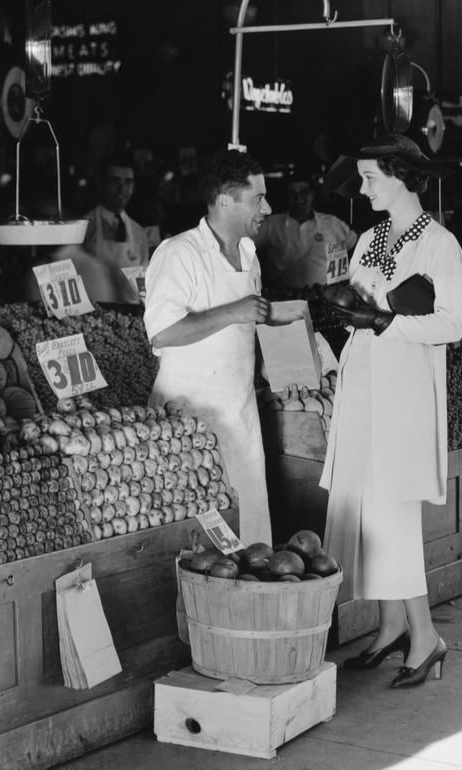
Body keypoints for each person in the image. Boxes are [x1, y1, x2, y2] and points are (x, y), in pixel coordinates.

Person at [320, 134, 462, 688]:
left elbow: (451, 324)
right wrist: (346, 306)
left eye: (370, 178)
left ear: (402, 176)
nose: (362, 188)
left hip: (405, 389)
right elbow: (360, 303)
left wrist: (387, 322)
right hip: (364, 382)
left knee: (395, 512)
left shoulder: (440, 246)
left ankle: (426, 637)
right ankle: (388, 627)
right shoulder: (367, 240)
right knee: (365, 506)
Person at [144, 149, 294, 546]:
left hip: (240, 416)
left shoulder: (249, 254)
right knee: (197, 543)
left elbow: (245, 331)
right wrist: (235, 311)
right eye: (258, 198)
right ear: (225, 201)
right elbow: (162, 333)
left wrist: (278, 360)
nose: (267, 207)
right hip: (187, 422)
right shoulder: (180, 253)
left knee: (251, 536)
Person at [254, 171, 358, 289]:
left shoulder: (332, 223)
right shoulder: (272, 224)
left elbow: (357, 247)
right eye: (292, 193)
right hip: (284, 297)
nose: (298, 198)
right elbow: (245, 246)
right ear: (286, 196)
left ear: (312, 194)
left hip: (326, 297)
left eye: (304, 192)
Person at [73, 153, 151, 303]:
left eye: (128, 182)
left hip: (129, 316)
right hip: (94, 317)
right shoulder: (83, 227)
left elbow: (144, 285)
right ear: (100, 183)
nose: (122, 188)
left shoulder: (139, 233)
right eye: (115, 181)